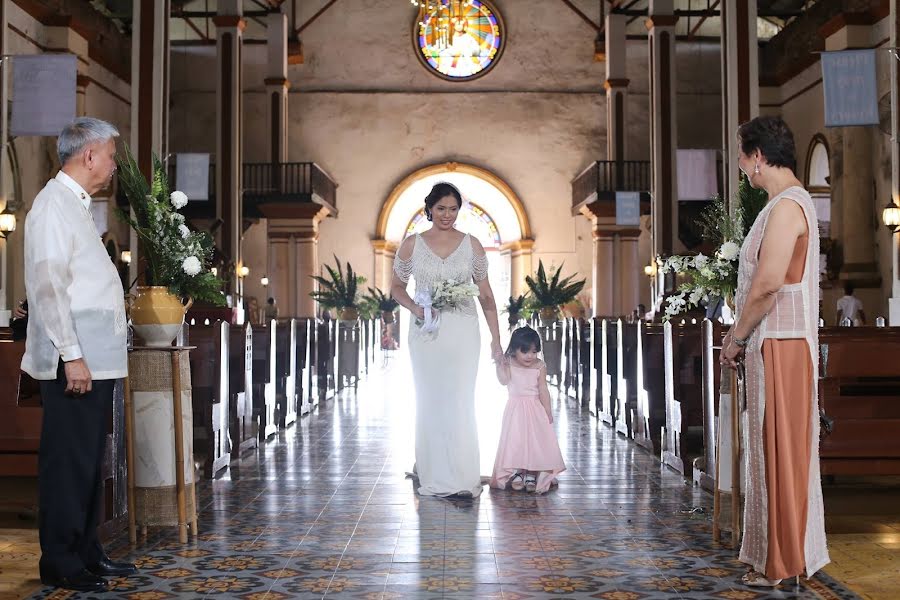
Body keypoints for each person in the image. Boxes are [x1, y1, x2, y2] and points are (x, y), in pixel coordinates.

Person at [21, 117, 137, 593]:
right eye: (110, 155)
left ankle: (86, 549)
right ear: (88, 155)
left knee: (90, 460)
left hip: (95, 357)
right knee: (68, 461)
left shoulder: (76, 206)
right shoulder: (52, 207)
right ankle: (61, 559)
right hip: (75, 361)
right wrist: (72, 355)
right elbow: (49, 288)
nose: (112, 165)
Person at [720, 115, 829, 587]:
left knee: (781, 451)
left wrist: (737, 335)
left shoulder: (787, 207)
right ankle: (772, 554)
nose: (741, 166)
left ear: (759, 157)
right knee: (770, 451)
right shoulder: (783, 202)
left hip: (781, 345)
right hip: (776, 342)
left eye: (742, 156)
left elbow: (767, 285)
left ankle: (782, 559)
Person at [391, 182, 502, 498]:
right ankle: (432, 469)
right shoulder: (412, 245)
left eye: (453, 209)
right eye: (441, 208)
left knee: (460, 399)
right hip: (426, 333)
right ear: (429, 209)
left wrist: (496, 338)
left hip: (463, 331)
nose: (447, 215)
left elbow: (487, 295)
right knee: (429, 399)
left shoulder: (473, 245)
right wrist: (416, 308)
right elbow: (396, 287)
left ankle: (461, 473)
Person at [489, 326, 565, 494]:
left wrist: (548, 411)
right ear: (515, 349)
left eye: (533, 352)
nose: (530, 356)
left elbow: (543, 389)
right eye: (525, 352)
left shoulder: (539, 366)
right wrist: (499, 365)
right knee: (516, 441)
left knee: (534, 442)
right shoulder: (509, 362)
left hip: (535, 408)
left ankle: (532, 473)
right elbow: (504, 381)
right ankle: (518, 472)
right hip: (515, 409)